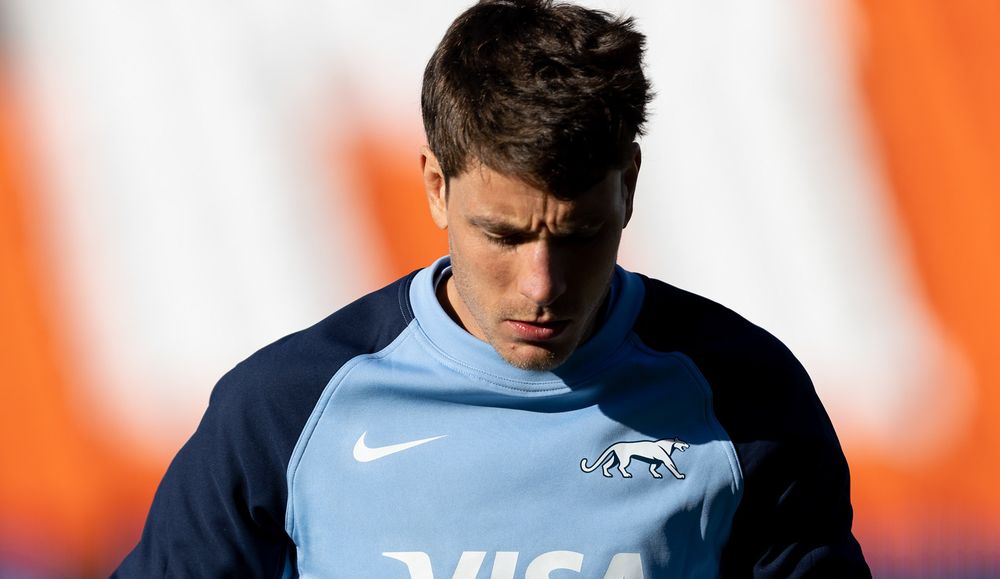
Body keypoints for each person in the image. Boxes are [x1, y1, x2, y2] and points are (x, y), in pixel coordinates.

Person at [114, 1, 871, 577]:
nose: (542, 285)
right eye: (504, 236)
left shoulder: (745, 398)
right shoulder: (285, 410)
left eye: (579, 236)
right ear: (436, 187)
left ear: (629, 187)